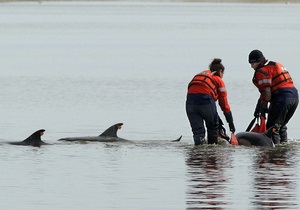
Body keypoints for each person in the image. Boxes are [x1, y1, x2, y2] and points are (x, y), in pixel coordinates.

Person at [248, 49, 299, 144]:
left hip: (282, 98)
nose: (251, 67)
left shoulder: (262, 71)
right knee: (281, 126)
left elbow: (266, 93)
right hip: (295, 97)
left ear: (258, 62)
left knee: (272, 127)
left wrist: (263, 108)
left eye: (252, 64)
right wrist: (259, 106)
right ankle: (283, 149)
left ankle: (274, 152)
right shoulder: (275, 65)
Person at [186, 58, 235, 145]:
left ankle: (198, 153)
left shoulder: (201, 75)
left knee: (198, 132)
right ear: (220, 71)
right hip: (205, 100)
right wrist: (230, 122)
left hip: (190, 102)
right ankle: (212, 153)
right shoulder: (218, 79)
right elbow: (224, 103)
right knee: (212, 127)